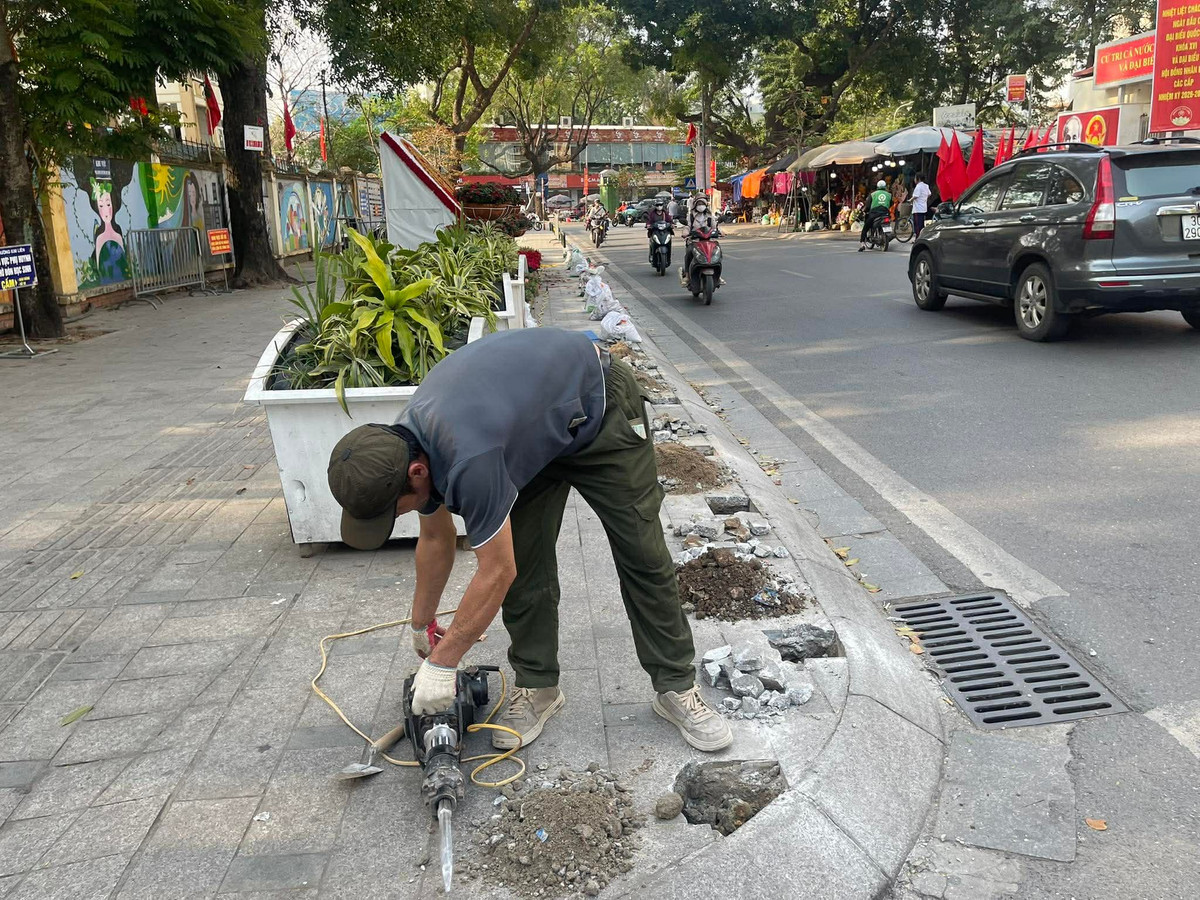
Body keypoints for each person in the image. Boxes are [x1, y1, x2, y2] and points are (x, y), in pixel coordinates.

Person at [326, 329, 733, 753]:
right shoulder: (403, 446)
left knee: (642, 554)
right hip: (531, 435)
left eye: (395, 510)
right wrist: (422, 622)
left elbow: (496, 571)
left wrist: (443, 663)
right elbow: (435, 537)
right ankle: (539, 686)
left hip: (599, 408)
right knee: (527, 561)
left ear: (416, 473)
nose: (400, 516)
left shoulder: (469, 458)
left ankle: (675, 687)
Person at [680, 195, 718, 284]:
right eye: (699, 203)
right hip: (694, 241)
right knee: (689, 253)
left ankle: (717, 276)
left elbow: (715, 227)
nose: (701, 205)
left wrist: (721, 231)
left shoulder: (709, 216)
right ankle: (687, 275)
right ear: (695, 205)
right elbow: (687, 226)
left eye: (702, 203)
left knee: (717, 252)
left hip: (708, 241)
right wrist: (685, 232)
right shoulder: (691, 216)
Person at [858, 179, 892, 251]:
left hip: (874, 214)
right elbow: (891, 204)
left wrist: (865, 210)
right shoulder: (889, 194)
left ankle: (862, 244)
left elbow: (867, 206)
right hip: (886, 213)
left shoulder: (873, 194)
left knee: (865, 228)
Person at [645, 198, 673, 262]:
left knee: (669, 242)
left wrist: (672, 224)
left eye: (660, 205)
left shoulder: (665, 213)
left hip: (665, 232)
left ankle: (668, 258)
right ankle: (652, 254)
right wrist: (648, 225)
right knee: (652, 242)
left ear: (663, 205)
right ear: (655, 206)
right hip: (655, 231)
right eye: (657, 205)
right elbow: (649, 221)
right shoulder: (652, 213)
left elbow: (670, 221)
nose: (659, 206)